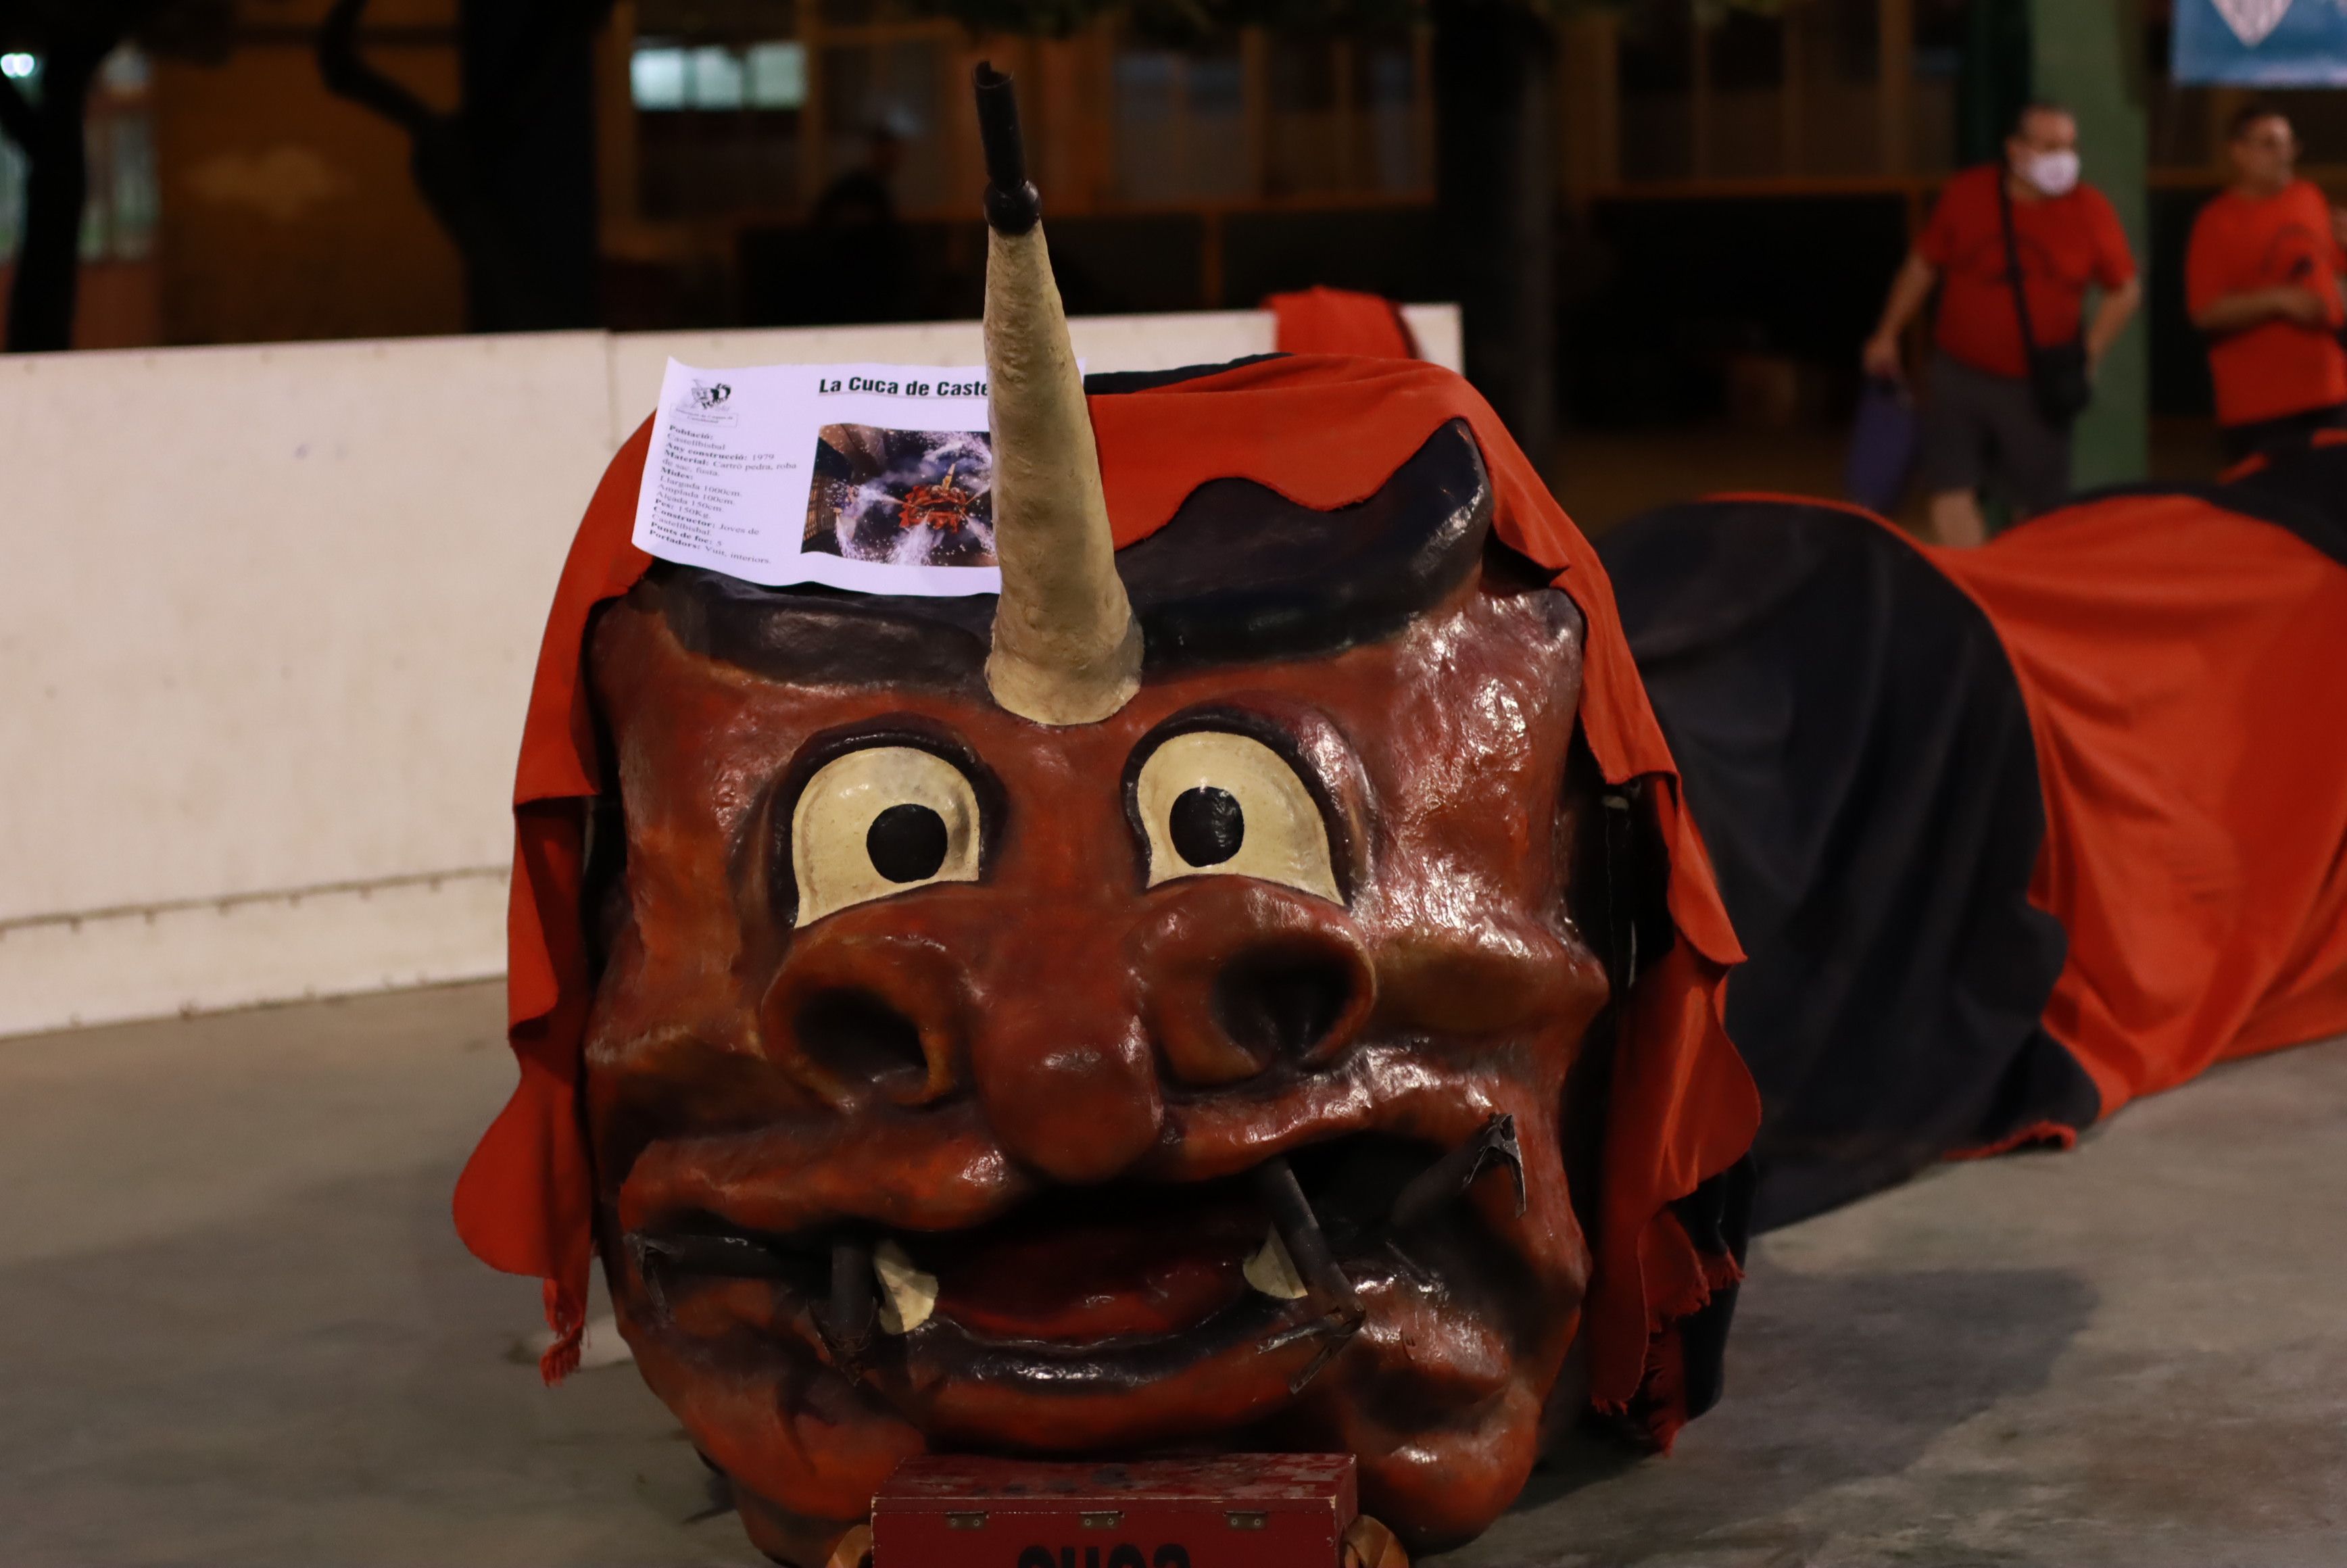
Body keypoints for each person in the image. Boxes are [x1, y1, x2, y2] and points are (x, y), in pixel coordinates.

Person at [1861, 103, 2141, 547]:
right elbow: (1922, 267)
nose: (2062, 157)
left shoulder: (2090, 209)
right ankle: (1978, 586)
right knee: (1950, 486)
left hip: (2037, 383)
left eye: (2070, 146)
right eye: (2049, 146)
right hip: (1959, 372)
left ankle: (2021, 589)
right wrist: (1887, 332)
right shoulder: (1967, 194)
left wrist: (2089, 352)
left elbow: (2124, 289)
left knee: (2040, 505)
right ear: (2015, 149)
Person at [2186, 103, 2347, 464]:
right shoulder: (2216, 222)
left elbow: (2334, 282)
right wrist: (2278, 300)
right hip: (2260, 407)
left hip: (2329, 392)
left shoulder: (2309, 198)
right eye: (2270, 144)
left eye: (2289, 144)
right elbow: (2205, 311)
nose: (2283, 155)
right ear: (2239, 152)